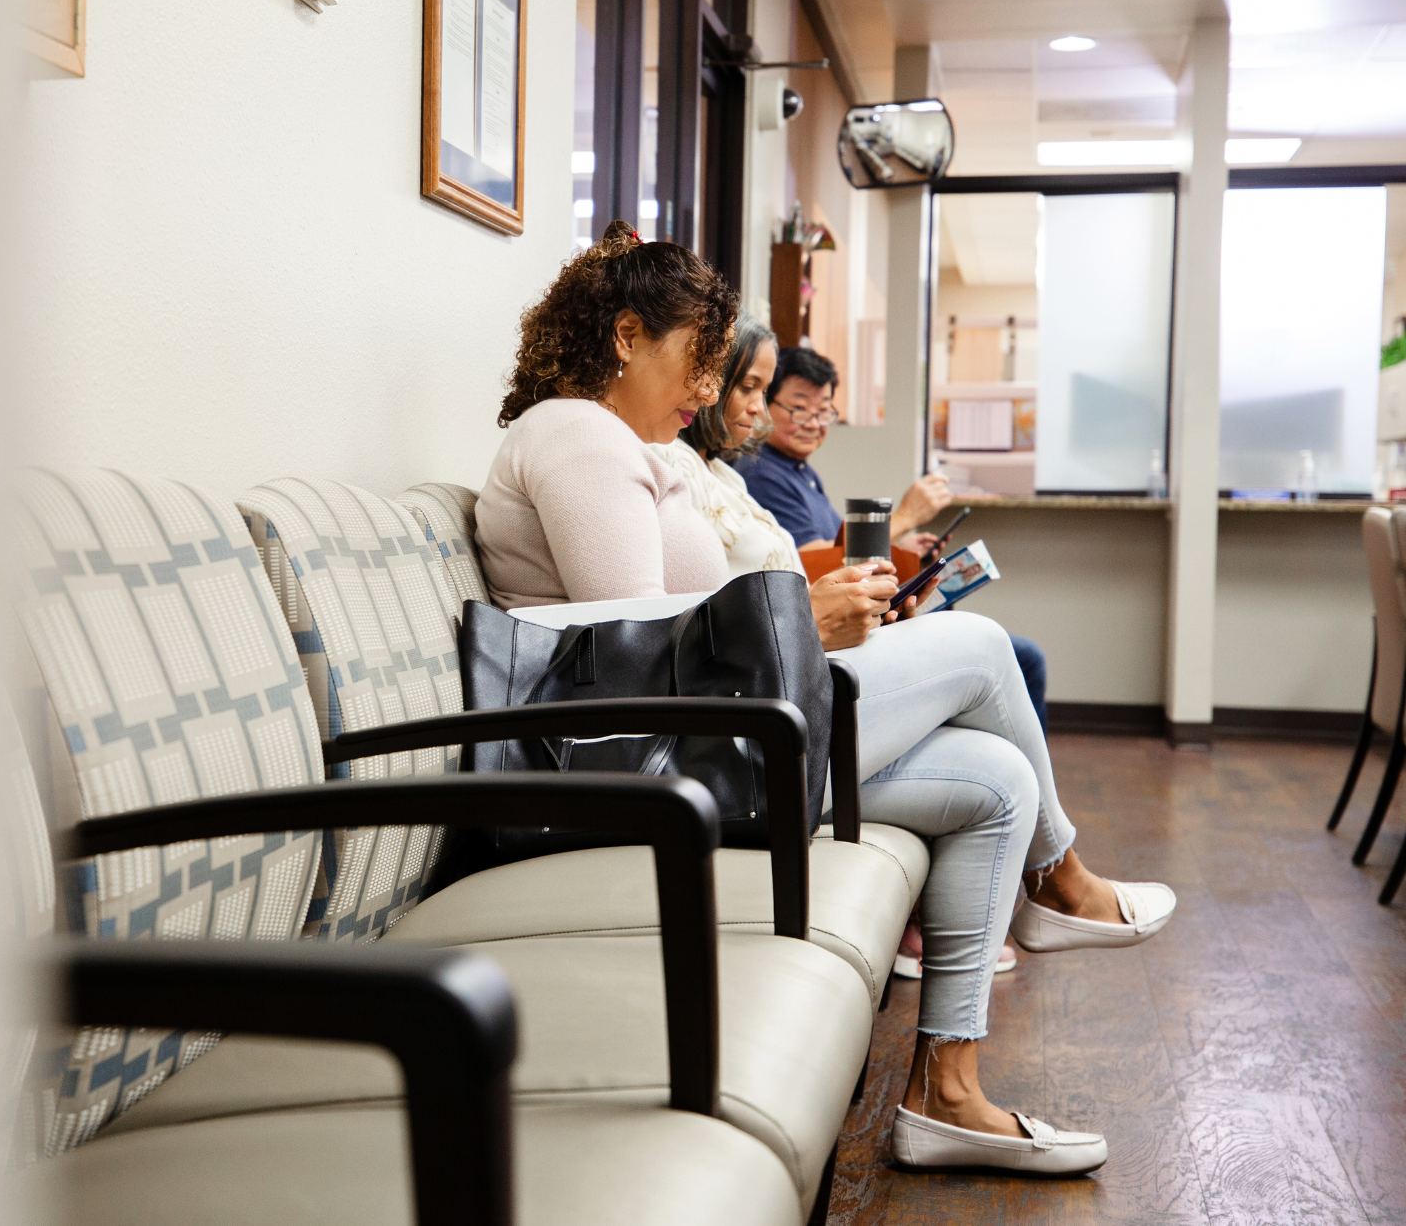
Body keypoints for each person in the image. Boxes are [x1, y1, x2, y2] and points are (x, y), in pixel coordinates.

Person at [476, 225, 1175, 1176]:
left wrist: (806, 616)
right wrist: (802, 617)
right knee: (976, 646)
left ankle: (948, 1093)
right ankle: (1060, 876)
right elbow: (636, 657)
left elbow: (666, 631)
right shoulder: (574, 432)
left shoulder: (632, 444)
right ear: (627, 335)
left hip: (711, 737)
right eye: (697, 364)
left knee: (999, 777)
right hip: (660, 756)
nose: (708, 395)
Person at [735, 346, 1050, 727]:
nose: (814, 423)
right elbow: (813, 565)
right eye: (800, 407)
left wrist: (900, 550)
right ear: (767, 402)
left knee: (1010, 652)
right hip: (834, 641)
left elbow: (839, 553)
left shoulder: (800, 471)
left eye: (824, 411)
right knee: (1024, 658)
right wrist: (904, 517)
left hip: (862, 625)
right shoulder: (762, 473)